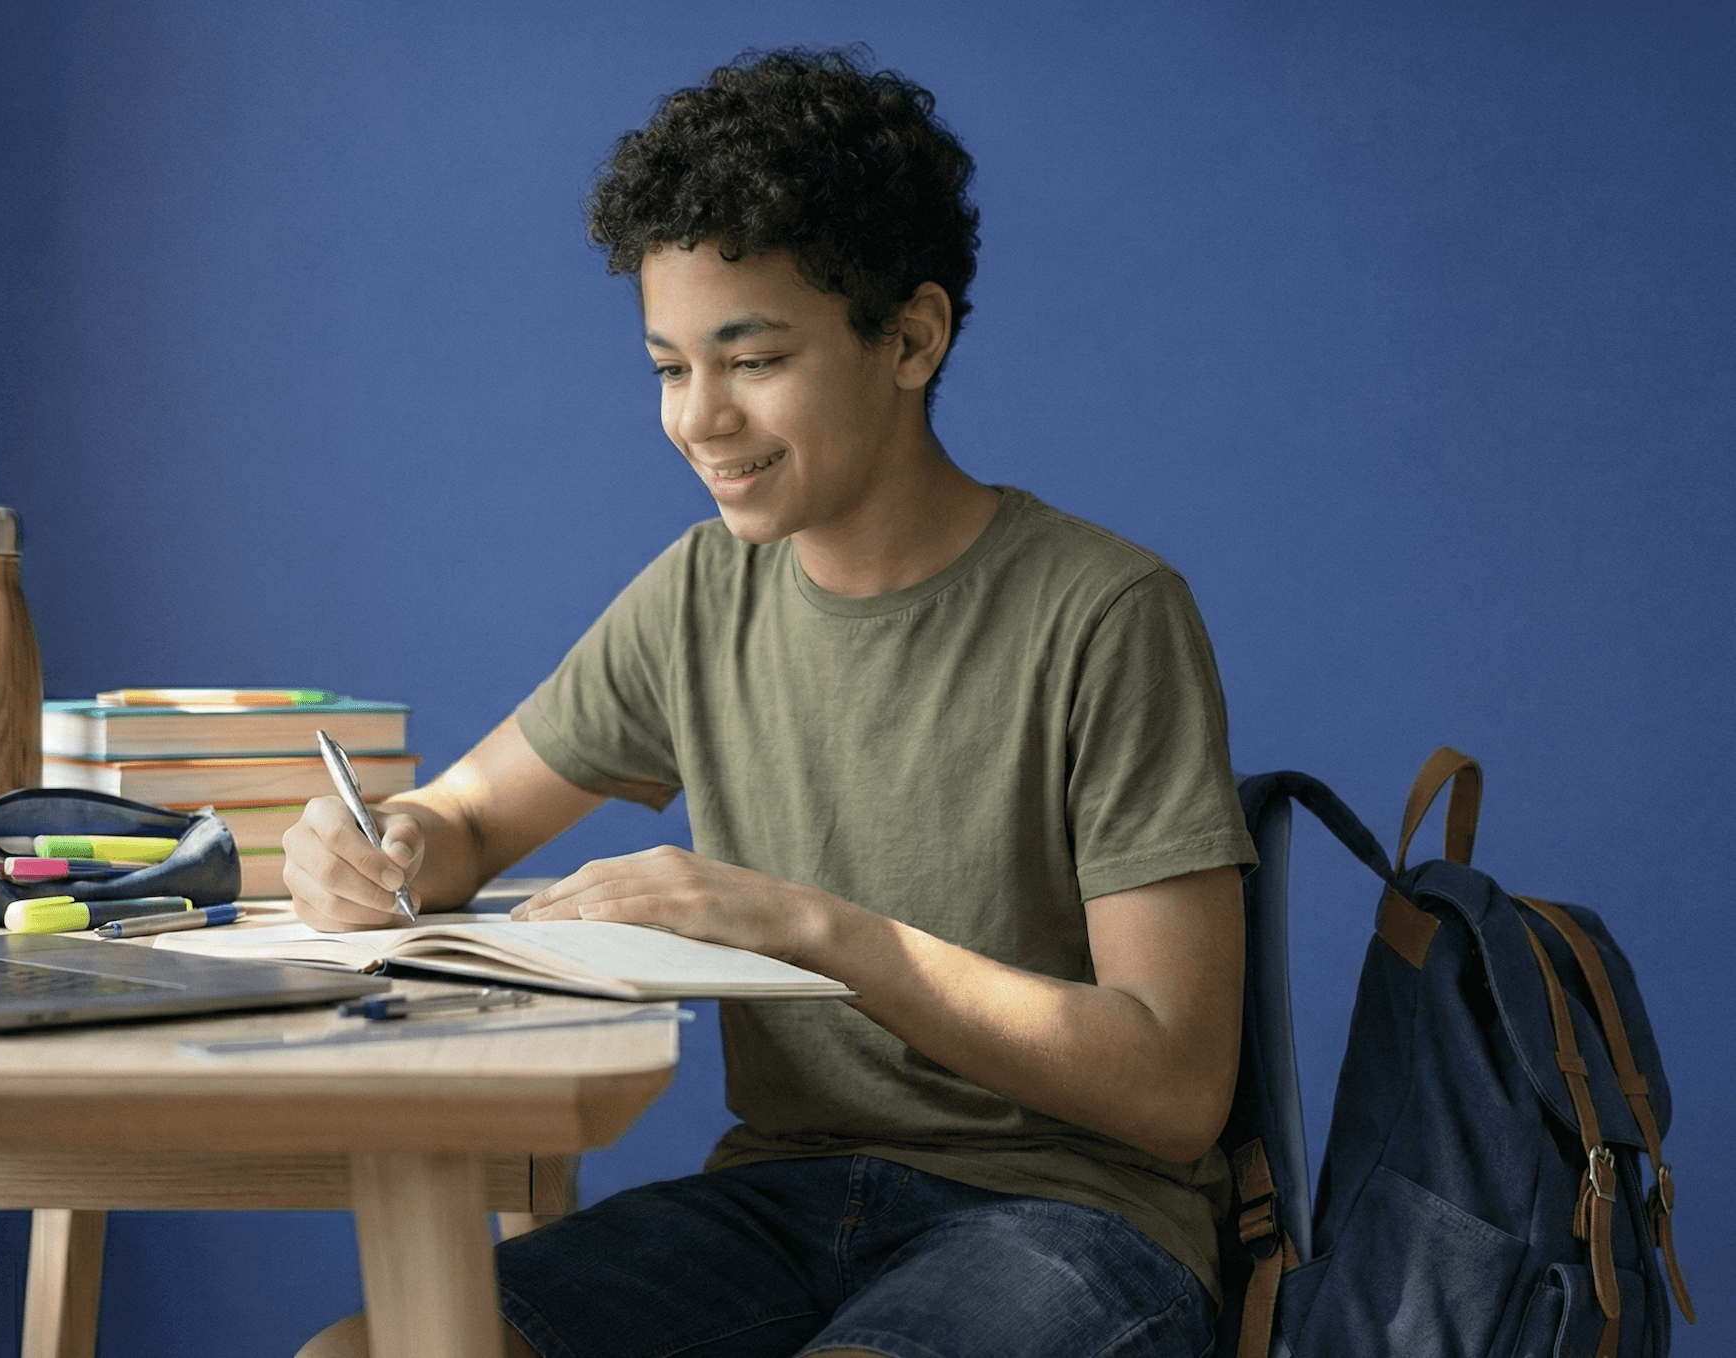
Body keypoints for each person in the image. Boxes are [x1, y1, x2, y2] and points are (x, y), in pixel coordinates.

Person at [290, 47, 1255, 1358]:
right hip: (779, 1202)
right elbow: (464, 818)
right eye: (667, 367)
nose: (700, 419)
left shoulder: (1104, 613)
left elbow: (1175, 1084)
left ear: (909, 337)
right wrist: (385, 841)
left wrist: (808, 927)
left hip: (1071, 1216)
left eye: (749, 359)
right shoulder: (700, 594)